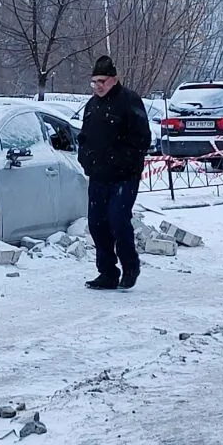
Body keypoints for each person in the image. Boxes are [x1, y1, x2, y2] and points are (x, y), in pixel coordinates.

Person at [76, 55, 152, 290]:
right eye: (94, 82)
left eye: (102, 81)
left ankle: (130, 267)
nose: (98, 86)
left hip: (124, 175)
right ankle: (107, 272)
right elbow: (85, 136)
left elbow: (142, 139)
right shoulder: (92, 105)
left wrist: (124, 160)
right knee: (97, 224)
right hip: (98, 174)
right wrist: (85, 156)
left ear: (114, 79)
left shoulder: (129, 101)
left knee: (118, 220)